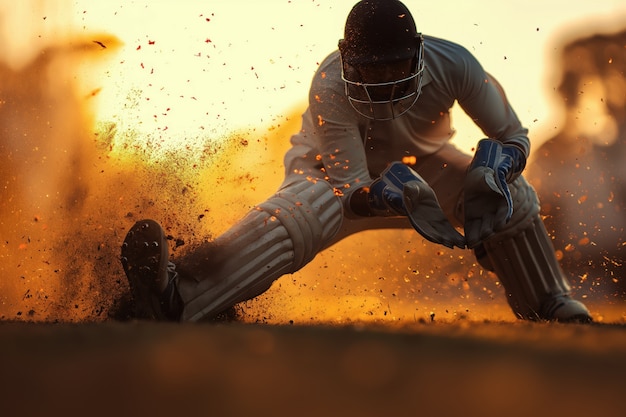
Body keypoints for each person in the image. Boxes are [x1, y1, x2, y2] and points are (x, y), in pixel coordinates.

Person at [120, 0, 592, 323]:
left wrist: (498, 168)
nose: (383, 80)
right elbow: (350, 191)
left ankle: (548, 299)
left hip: (424, 164)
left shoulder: (455, 64)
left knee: (512, 196)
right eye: (371, 69)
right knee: (303, 215)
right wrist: (386, 192)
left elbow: (513, 134)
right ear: (348, 60)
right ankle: (177, 294)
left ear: (418, 54)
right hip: (330, 174)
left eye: (393, 66)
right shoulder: (329, 84)